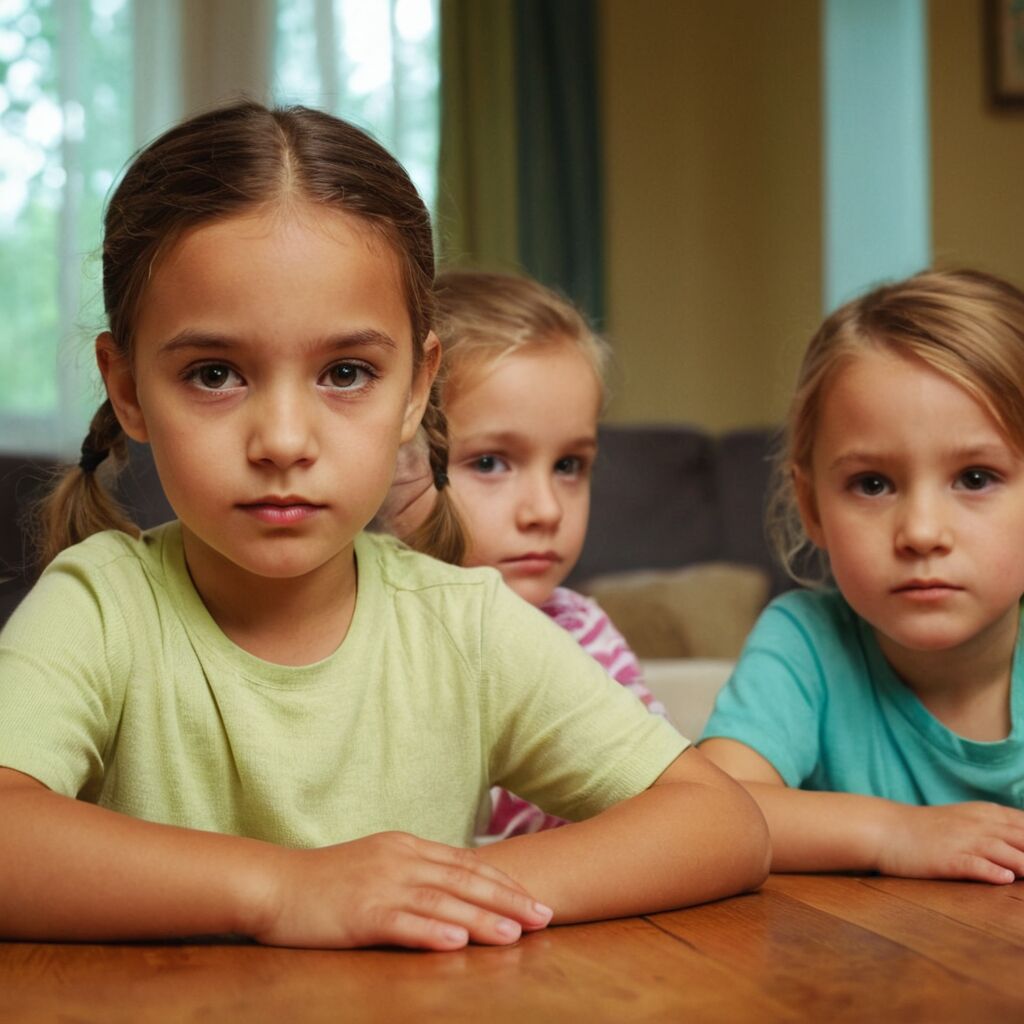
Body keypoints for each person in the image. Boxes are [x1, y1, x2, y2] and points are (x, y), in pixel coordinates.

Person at [0, 101, 769, 950]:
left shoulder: (465, 625)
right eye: (215, 373)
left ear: (415, 389)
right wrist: (287, 892)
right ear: (129, 387)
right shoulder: (100, 607)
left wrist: (436, 893)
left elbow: (720, 822)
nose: (285, 441)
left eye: (345, 372)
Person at [700, 268, 1024, 884]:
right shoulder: (807, 643)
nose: (922, 531)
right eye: (872, 484)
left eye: (976, 478)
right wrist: (892, 832)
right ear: (813, 506)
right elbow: (713, 811)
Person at [374, 270, 667, 841]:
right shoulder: (354, 630)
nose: (545, 510)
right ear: (394, 459)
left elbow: (666, 809)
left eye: (569, 466)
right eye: (490, 463)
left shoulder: (582, 635)